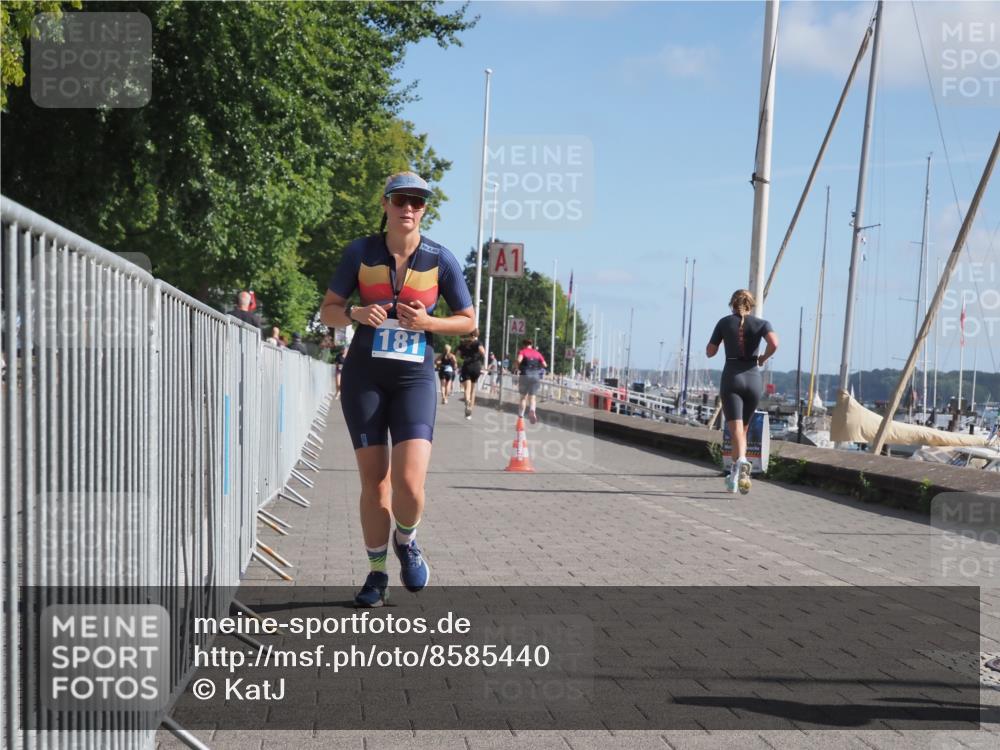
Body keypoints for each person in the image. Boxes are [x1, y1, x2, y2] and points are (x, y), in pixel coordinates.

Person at [319, 171, 475, 607]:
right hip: (365, 375)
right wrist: (354, 313)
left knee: (409, 484)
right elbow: (327, 311)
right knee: (375, 483)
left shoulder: (439, 259)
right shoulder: (360, 252)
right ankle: (376, 574)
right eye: (401, 200)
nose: (409, 208)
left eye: (418, 202)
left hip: (414, 377)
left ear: (425, 209)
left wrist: (429, 323)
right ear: (385, 204)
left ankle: (406, 541)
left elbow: (468, 319)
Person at [706, 289, 779, 495]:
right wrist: (763, 358)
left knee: (736, 429)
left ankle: (742, 461)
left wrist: (719, 343)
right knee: (743, 431)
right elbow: (774, 343)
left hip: (732, 378)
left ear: (732, 303)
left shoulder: (724, 322)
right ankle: (735, 476)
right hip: (753, 379)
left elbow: (710, 352)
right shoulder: (762, 324)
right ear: (752, 304)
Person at [516, 339, 548, 424]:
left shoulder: (523, 351)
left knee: (523, 397)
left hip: (525, 375)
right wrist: (538, 368)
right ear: (531, 345)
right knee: (532, 397)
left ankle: (521, 416)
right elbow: (545, 364)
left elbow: (519, 360)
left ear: (524, 345)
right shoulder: (537, 353)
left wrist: (517, 367)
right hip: (535, 376)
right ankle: (532, 410)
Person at [457, 330, 485, 419]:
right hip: (476, 366)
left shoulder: (463, 343)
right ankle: (469, 413)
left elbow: (457, 354)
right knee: (473, 390)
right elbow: (483, 352)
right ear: (476, 335)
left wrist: (463, 357)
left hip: (467, 366)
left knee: (467, 389)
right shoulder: (477, 343)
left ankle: (467, 401)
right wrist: (479, 358)